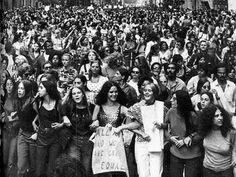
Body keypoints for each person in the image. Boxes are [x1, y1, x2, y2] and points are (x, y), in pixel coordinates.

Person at [115, 82, 167, 177]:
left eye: (149, 91)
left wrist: (162, 125)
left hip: (156, 142)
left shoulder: (161, 107)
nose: (146, 93)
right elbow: (129, 124)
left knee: (156, 172)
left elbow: (168, 124)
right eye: (145, 91)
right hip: (141, 142)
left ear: (154, 93)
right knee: (143, 172)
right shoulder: (136, 107)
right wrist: (141, 133)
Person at [90, 81, 128, 177]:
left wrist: (122, 127)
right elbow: (92, 125)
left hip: (116, 145)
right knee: (103, 172)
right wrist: (95, 124)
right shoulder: (98, 107)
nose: (114, 94)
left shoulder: (122, 108)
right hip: (101, 145)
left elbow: (133, 121)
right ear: (106, 93)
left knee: (117, 170)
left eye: (116, 92)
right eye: (111, 92)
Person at [165, 90, 202, 177]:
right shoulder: (171, 112)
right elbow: (164, 128)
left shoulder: (193, 115)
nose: (171, 101)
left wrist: (190, 137)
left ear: (181, 101)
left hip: (192, 155)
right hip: (175, 153)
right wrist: (170, 138)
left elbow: (201, 132)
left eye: (174, 99)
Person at [61, 86, 94, 177]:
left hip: (88, 141)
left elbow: (97, 117)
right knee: (73, 169)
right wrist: (64, 117)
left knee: (85, 170)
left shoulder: (90, 107)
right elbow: (60, 110)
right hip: (73, 141)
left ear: (83, 94)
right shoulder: (69, 107)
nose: (76, 95)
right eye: (74, 94)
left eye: (78, 93)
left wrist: (96, 121)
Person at [34, 80, 63, 177]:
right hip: (41, 137)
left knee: (51, 169)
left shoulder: (58, 103)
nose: (39, 90)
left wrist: (61, 125)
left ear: (48, 89)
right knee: (39, 169)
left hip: (55, 138)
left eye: (41, 87)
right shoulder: (38, 102)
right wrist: (34, 122)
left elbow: (65, 118)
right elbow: (37, 115)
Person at [198, 104, 236, 177]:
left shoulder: (231, 133)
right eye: (216, 116)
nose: (220, 118)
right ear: (209, 118)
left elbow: (235, 150)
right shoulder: (205, 131)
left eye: (221, 115)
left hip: (225, 171)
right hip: (207, 170)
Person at [16, 80, 38, 177]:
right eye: (18, 88)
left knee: (33, 167)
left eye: (22, 88)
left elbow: (42, 118)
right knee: (21, 167)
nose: (19, 91)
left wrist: (37, 132)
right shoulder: (20, 100)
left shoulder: (33, 102)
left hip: (32, 136)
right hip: (22, 134)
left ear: (27, 90)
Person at [2, 77, 18, 177]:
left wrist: (10, 118)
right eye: (7, 84)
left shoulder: (16, 98)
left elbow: (20, 114)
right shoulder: (4, 96)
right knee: (4, 158)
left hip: (14, 132)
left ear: (14, 85)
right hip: (5, 131)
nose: (9, 86)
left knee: (11, 160)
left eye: (11, 84)